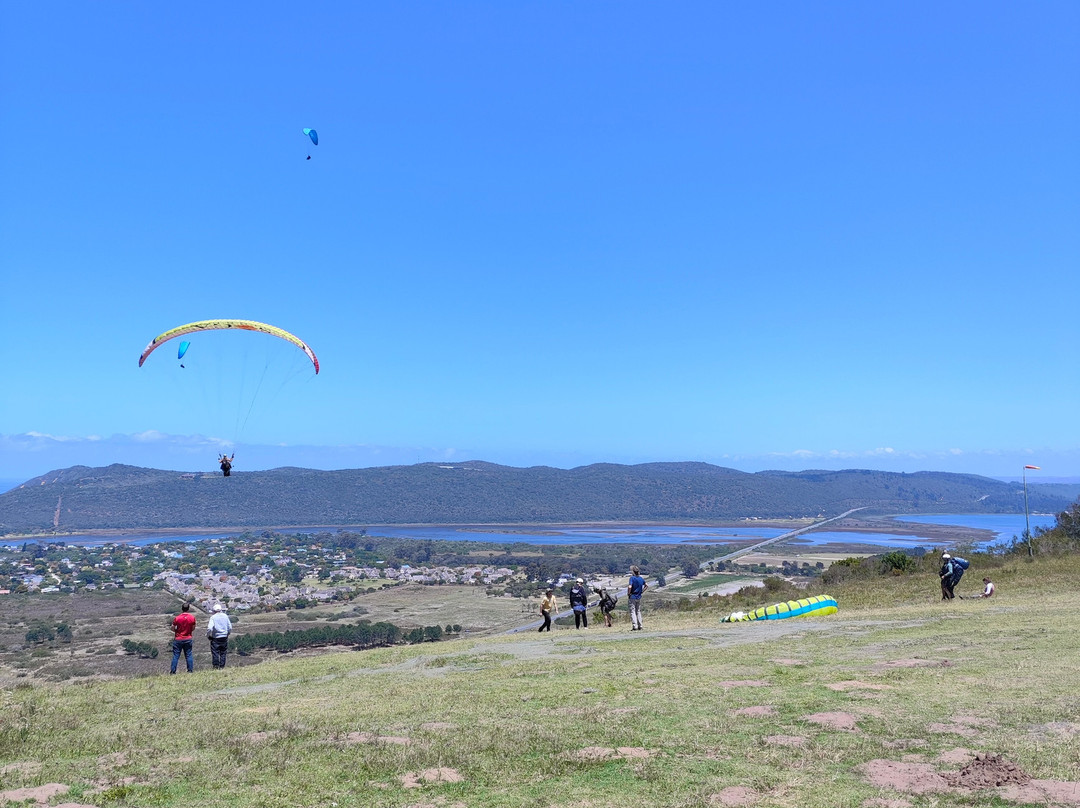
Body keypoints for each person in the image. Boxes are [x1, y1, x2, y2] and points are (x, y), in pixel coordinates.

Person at [170, 603, 196, 674]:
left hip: (178, 638)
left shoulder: (177, 618)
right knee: (188, 655)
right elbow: (193, 628)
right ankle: (190, 670)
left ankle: (173, 671)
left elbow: (172, 627)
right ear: (188, 609)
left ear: (182, 608)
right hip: (188, 638)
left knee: (176, 656)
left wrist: (176, 631)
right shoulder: (192, 618)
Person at [206, 603, 233, 668]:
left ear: (214, 611)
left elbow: (209, 628)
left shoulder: (213, 617)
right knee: (223, 653)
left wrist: (207, 635)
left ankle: (216, 666)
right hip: (224, 637)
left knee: (215, 652)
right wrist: (228, 633)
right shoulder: (225, 616)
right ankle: (222, 666)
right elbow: (230, 627)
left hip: (216, 637)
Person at [627, 565, 648, 631]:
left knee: (632, 611)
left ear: (633, 572)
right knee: (638, 611)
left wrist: (629, 593)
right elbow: (646, 585)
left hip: (633, 596)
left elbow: (630, 586)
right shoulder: (641, 578)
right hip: (638, 596)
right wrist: (641, 591)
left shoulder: (632, 578)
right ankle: (640, 625)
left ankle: (634, 626)